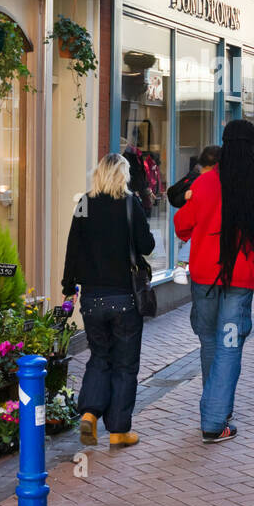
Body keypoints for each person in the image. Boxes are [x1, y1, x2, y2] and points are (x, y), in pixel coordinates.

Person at [174, 119, 254, 443]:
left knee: (209, 340)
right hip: (241, 276)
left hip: (205, 275)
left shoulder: (206, 183)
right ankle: (214, 419)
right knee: (229, 344)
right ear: (253, 147)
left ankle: (215, 411)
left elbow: (182, 224)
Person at [60, 154, 155, 449]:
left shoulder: (85, 203)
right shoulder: (130, 203)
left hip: (91, 299)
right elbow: (147, 246)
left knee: (99, 357)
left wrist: (67, 286)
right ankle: (118, 430)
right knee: (125, 365)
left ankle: (89, 411)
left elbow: (72, 248)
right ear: (122, 176)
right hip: (124, 297)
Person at [168, 145, 219, 286]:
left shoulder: (214, 180)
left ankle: (180, 266)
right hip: (202, 228)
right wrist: (185, 196)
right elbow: (173, 195)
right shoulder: (197, 178)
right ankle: (180, 266)